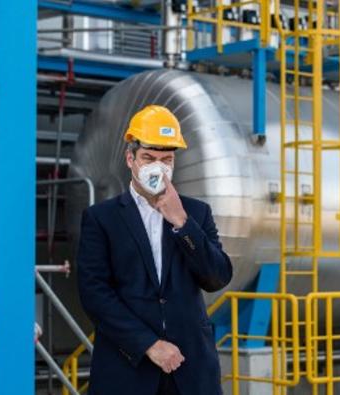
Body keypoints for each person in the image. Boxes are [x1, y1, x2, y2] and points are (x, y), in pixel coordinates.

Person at [76, 105, 233, 395]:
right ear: (130, 159)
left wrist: (181, 222)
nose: (157, 166)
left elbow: (217, 277)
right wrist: (148, 344)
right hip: (128, 369)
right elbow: (94, 293)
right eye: (148, 157)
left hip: (190, 372)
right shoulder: (102, 218)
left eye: (166, 159)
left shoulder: (196, 214)